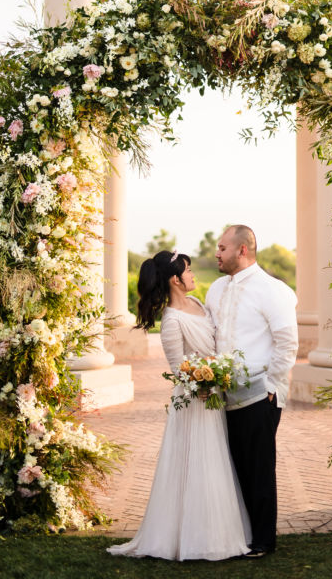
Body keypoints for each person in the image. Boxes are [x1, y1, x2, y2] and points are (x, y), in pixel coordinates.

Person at [107, 248, 250, 561]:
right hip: (193, 403)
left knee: (215, 466)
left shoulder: (199, 304)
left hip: (212, 400)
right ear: (175, 280)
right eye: (188, 271)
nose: (193, 274)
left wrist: (219, 376)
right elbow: (178, 370)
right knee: (194, 467)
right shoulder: (171, 321)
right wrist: (201, 383)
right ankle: (189, 539)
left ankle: (217, 532)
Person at [205, 225, 299, 557]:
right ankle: (239, 535)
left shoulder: (273, 290)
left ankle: (262, 541)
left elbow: (287, 343)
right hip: (223, 397)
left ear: (242, 250)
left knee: (259, 469)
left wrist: (273, 387)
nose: (216, 253)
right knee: (233, 468)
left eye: (222, 247)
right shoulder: (215, 289)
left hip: (261, 394)